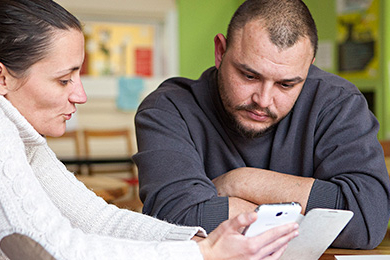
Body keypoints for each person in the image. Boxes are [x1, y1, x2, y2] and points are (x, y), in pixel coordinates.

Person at [0, 0, 300, 259]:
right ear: (3, 78)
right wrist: (201, 254)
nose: (80, 95)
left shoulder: (27, 141)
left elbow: (98, 220)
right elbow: (54, 251)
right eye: (64, 80)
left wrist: (199, 242)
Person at [134, 0, 390, 250]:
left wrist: (240, 182)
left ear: (308, 69)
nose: (263, 100)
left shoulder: (338, 103)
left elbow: (368, 220)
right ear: (220, 52)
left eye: (286, 84)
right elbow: (174, 219)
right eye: (249, 75)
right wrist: (313, 215)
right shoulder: (167, 109)